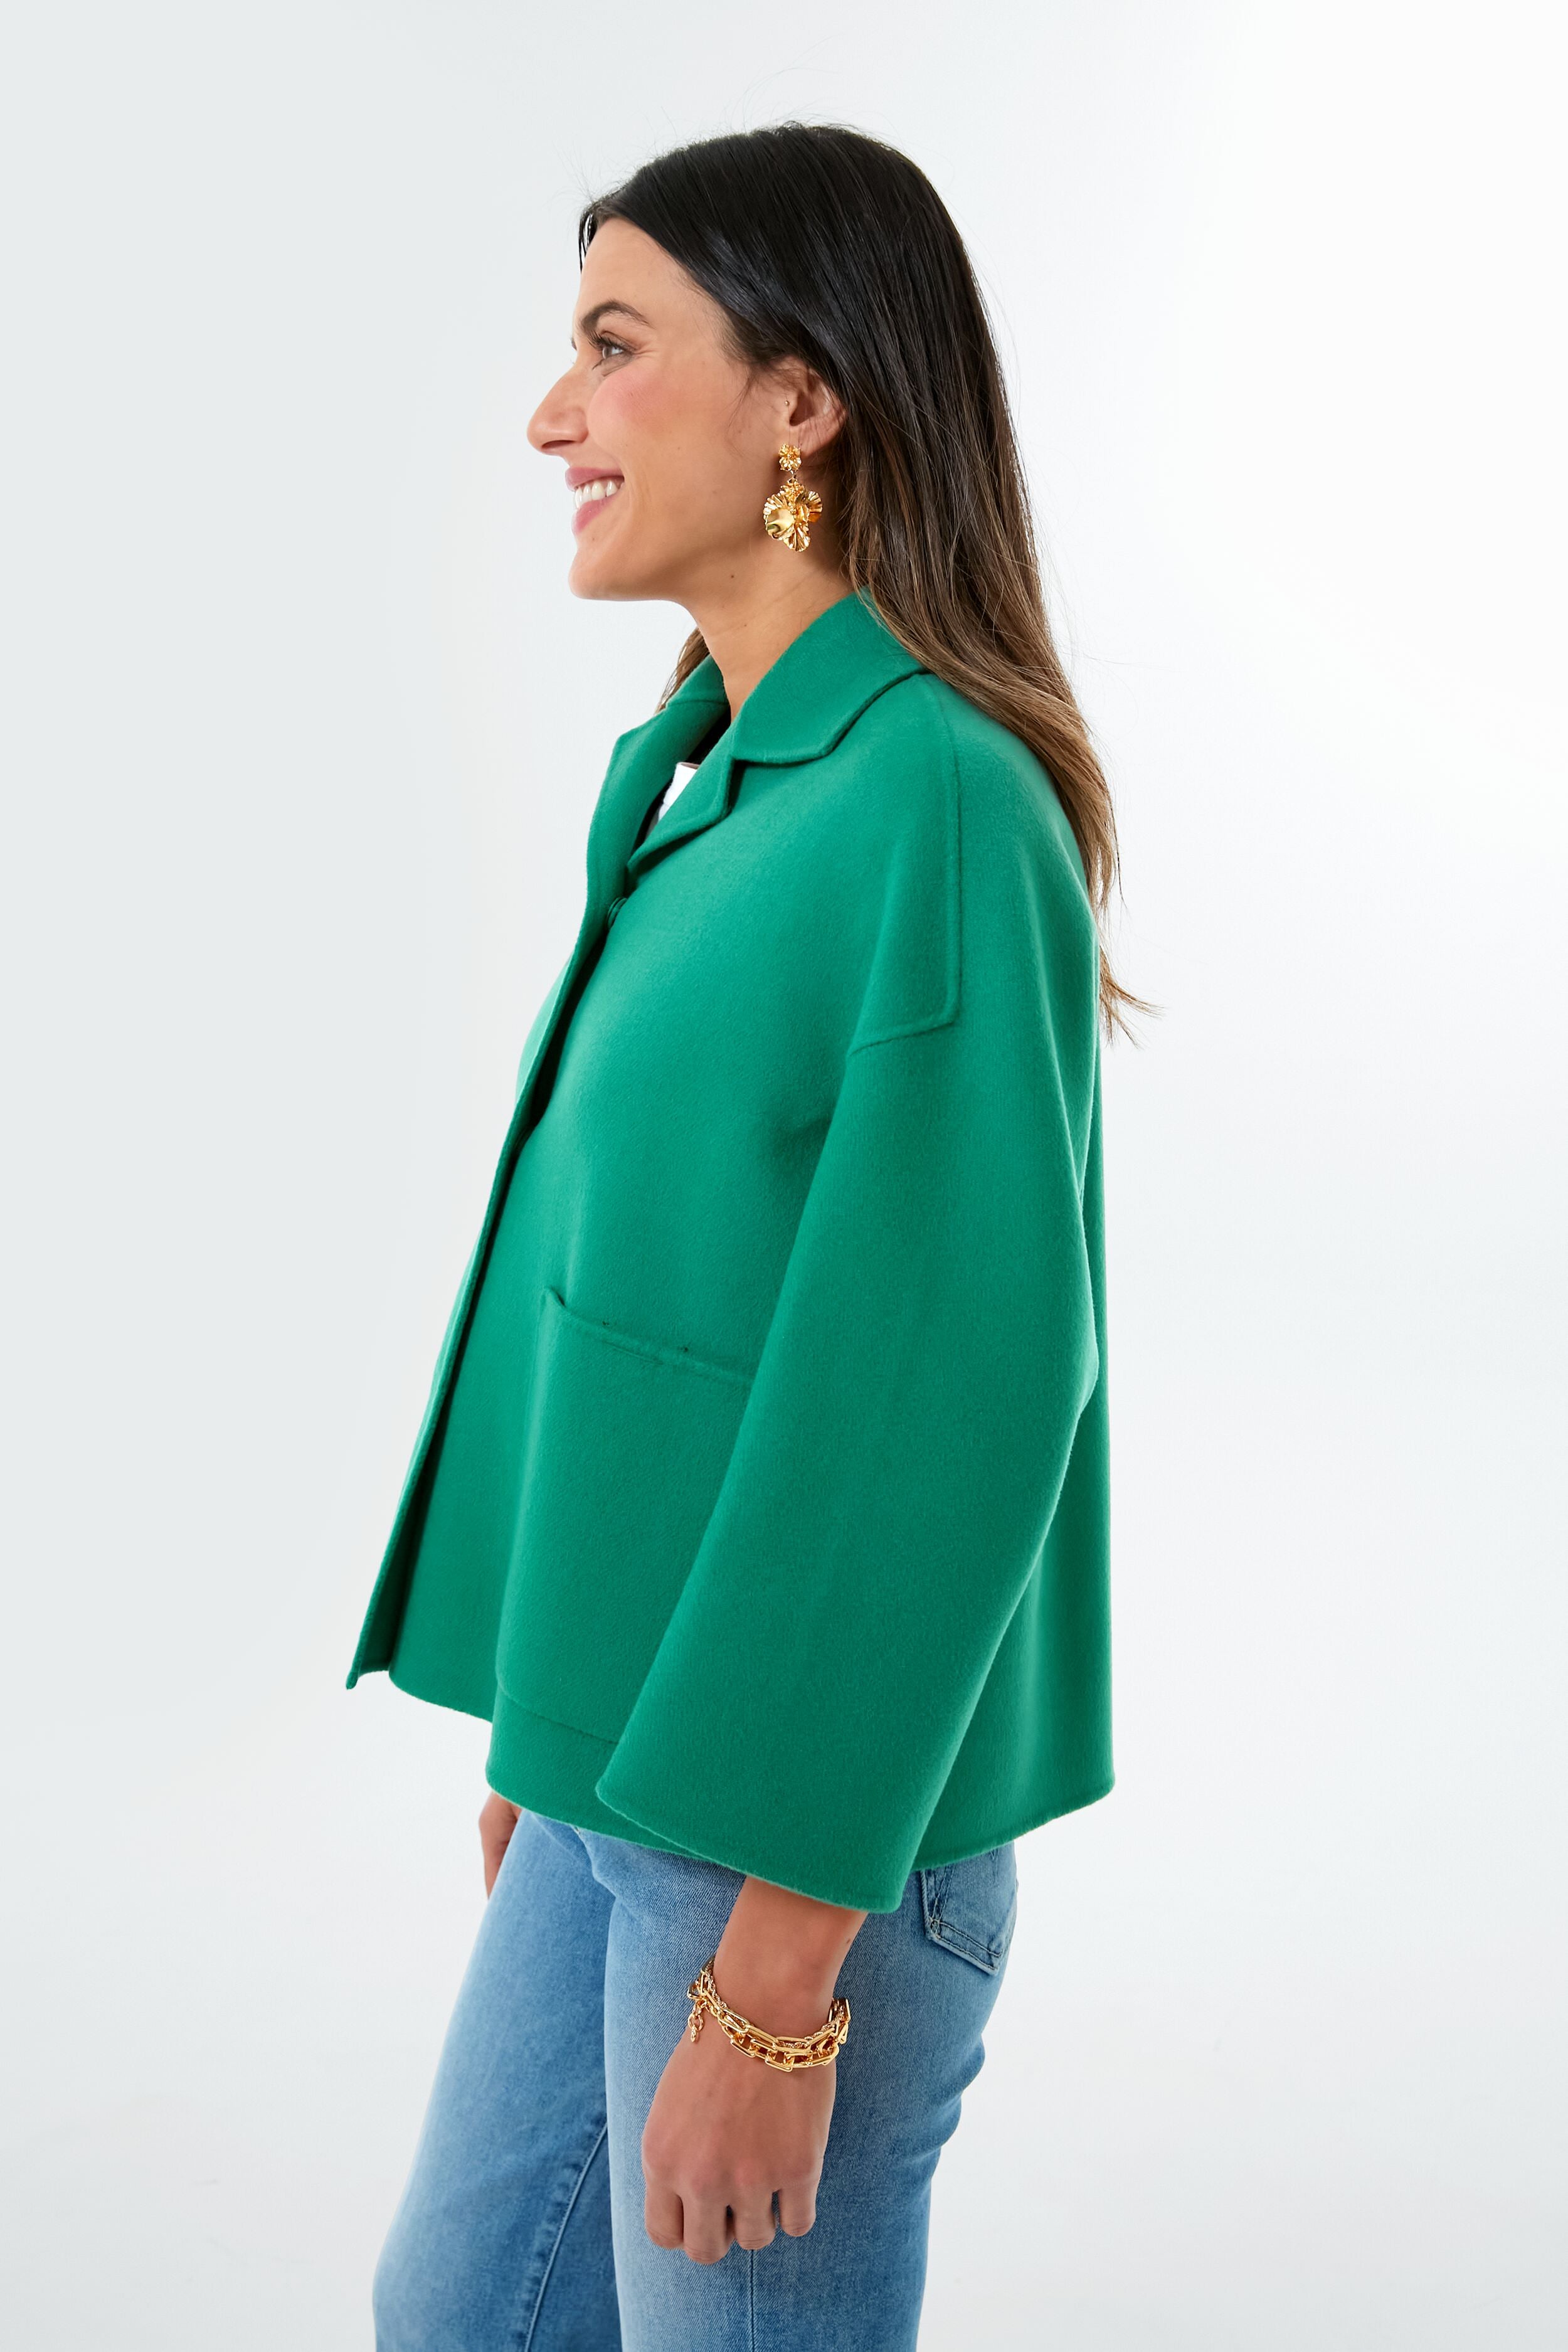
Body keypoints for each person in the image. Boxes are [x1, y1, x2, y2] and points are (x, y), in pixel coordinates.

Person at [349, 119, 1132, 2352]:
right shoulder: (713, 775)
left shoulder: (934, 801)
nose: (553, 415)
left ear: (801, 401)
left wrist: (779, 1978)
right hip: (620, 1765)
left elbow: (950, 1397)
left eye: (614, 347)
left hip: (794, 1850)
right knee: (459, 2319)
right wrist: (539, 1730)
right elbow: (644, 1312)